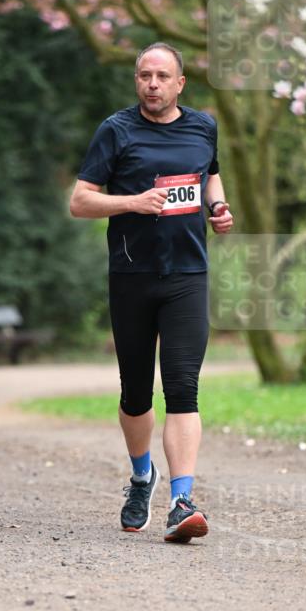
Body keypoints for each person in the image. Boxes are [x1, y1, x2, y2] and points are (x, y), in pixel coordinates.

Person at [70, 42, 233, 544]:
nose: (153, 84)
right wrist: (134, 202)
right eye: (145, 75)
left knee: (183, 387)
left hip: (187, 275)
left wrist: (219, 206)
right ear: (137, 81)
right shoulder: (116, 131)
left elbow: (209, 174)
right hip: (132, 276)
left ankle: (182, 499)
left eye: (162, 76)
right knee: (136, 394)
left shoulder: (203, 126)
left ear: (180, 83)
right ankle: (143, 476)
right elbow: (80, 201)